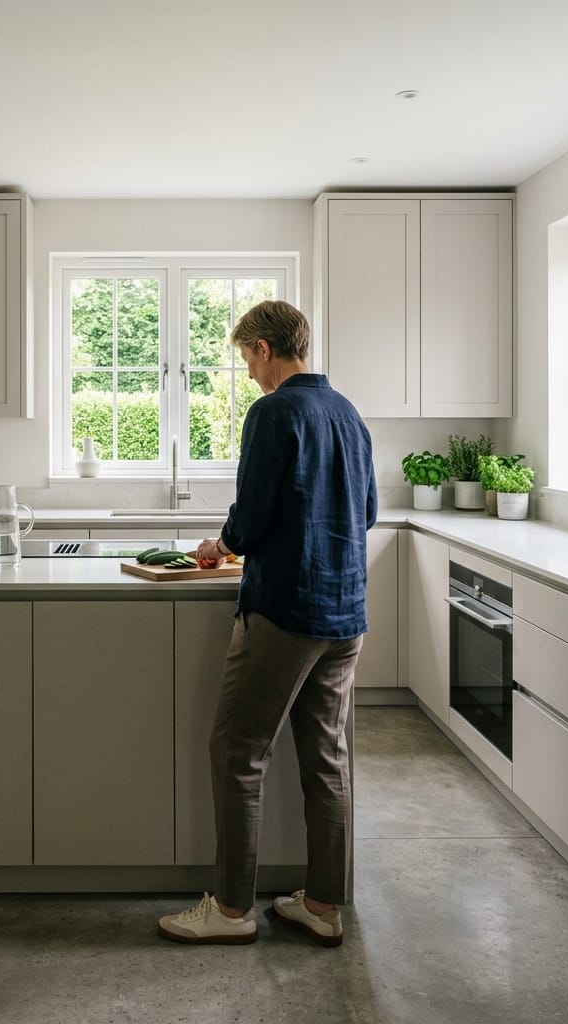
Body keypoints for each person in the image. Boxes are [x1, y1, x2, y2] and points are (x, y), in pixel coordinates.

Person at [157, 299, 377, 947]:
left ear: (262, 348)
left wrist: (219, 544)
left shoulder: (274, 411)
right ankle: (323, 905)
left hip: (286, 610)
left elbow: (249, 520)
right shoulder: (349, 414)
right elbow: (363, 515)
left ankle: (229, 911)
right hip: (347, 615)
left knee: (237, 752)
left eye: (245, 359)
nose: (248, 374)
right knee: (328, 759)